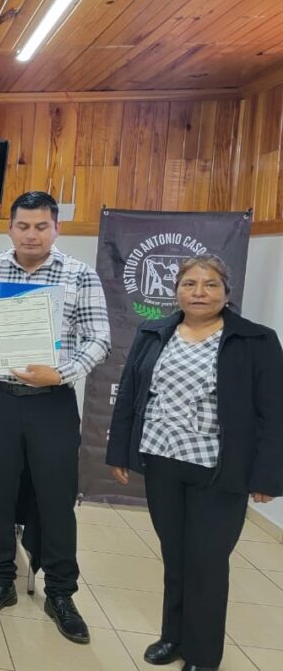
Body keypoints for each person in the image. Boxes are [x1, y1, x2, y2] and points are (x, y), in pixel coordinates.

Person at [0, 191, 110, 643]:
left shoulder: (80, 274)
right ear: (10, 228)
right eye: (23, 226)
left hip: (52, 402)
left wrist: (62, 372)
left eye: (41, 226)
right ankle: (1, 580)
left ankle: (60, 592)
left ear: (56, 229)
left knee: (56, 498)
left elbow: (99, 339)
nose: (31, 235)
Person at [107, 256, 283, 671]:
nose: (199, 292)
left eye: (210, 284)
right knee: (176, 556)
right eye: (189, 284)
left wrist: (267, 476)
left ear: (227, 292)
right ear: (176, 291)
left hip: (219, 470)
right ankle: (173, 636)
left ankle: (203, 656)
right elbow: (132, 392)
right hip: (162, 460)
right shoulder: (153, 332)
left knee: (207, 562)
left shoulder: (256, 340)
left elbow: (273, 412)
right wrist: (119, 451)